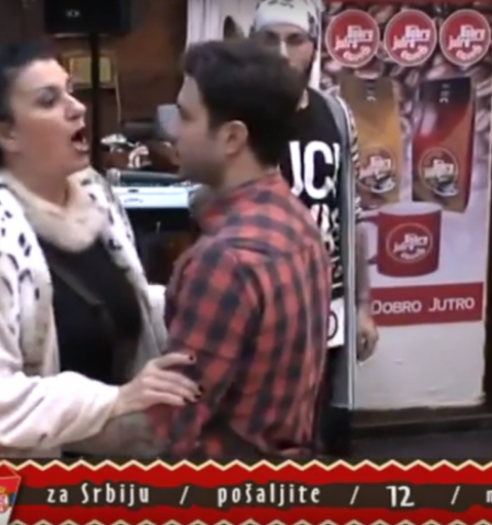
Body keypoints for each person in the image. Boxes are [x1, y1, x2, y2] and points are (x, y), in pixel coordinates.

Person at [0, 41, 199, 458]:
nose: (77, 108)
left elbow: (124, 304)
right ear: (6, 133)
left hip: (113, 468)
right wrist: (117, 400)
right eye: (48, 101)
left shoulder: (96, 200)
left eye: (70, 91)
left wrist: (196, 296)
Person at [140, 39, 330, 459]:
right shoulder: (298, 221)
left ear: (231, 137)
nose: (173, 131)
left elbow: (174, 428)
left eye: (186, 116)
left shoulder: (224, 261)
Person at [250, 0, 378, 457]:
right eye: (269, 40)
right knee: (266, 438)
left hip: (328, 299)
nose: (282, 53)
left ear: (314, 47)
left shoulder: (336, 115)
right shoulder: (237, 116)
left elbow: (352, 214)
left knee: (325, 431)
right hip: (263, 301)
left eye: (295, 40)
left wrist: (362, 304)